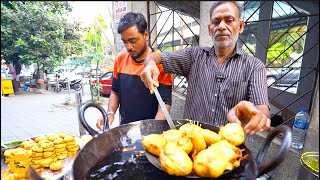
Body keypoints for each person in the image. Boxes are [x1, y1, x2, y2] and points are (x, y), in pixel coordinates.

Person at [140, 1, 270, 135]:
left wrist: (254, 114)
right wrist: (150, 64)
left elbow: (262, 110)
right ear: (209, 29)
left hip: (225, 149)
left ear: (241, 26)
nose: (221, 26)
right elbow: (155, 56)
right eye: (216, 21)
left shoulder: (254, 67)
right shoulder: (194, 56)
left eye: (229, 20)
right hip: (190, 141)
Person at [96, 12, 173, 130]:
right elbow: (115, 92)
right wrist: (110, 113)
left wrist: (153, 133)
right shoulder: (120, 59)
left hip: (151, 129)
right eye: (125, 41)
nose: (129, 47)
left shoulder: (161, 63)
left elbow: (164, 105)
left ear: (146, 35)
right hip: (125, 129)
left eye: (133, 40)